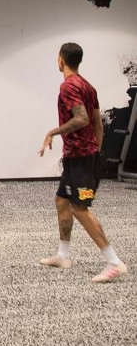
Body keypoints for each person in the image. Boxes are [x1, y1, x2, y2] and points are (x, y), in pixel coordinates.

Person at [38, 42, 127, 283]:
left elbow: (82, 119)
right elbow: (98, 123)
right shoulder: (88, 86)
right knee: (62, 201)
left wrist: (52, 132)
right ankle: (63, 255)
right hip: (79, 157)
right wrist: (96, 151)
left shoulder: (68, 86)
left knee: (80, 209)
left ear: (61, 60)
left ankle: (113, 262)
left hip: (80, 158)